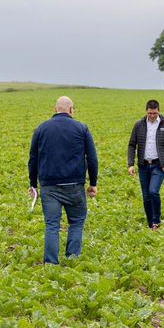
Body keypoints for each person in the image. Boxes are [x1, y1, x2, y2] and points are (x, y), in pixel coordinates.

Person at [28, 96, 98, 264]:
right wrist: (93, 183)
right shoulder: (81, 128)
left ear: (55, 109)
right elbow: (92, 158)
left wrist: (33, 183)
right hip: (75, 185)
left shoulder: (41, 128)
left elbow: (33, 158)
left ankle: (51, 265)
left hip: (49, 186)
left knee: (52, 224)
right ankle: (72, 261)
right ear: (71, 110)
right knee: (76, 222)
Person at [128, 99, 164, 230]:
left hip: (159, 165)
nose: (152, 116)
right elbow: (132, 145)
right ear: (146, 111)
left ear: (159, 111)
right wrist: (131, 164)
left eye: (154, 113)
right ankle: (151, 224)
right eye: (150, 113)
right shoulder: (139, 125)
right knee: (146, 196)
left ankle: (156, 221)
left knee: (153, 191)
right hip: (143, 165)